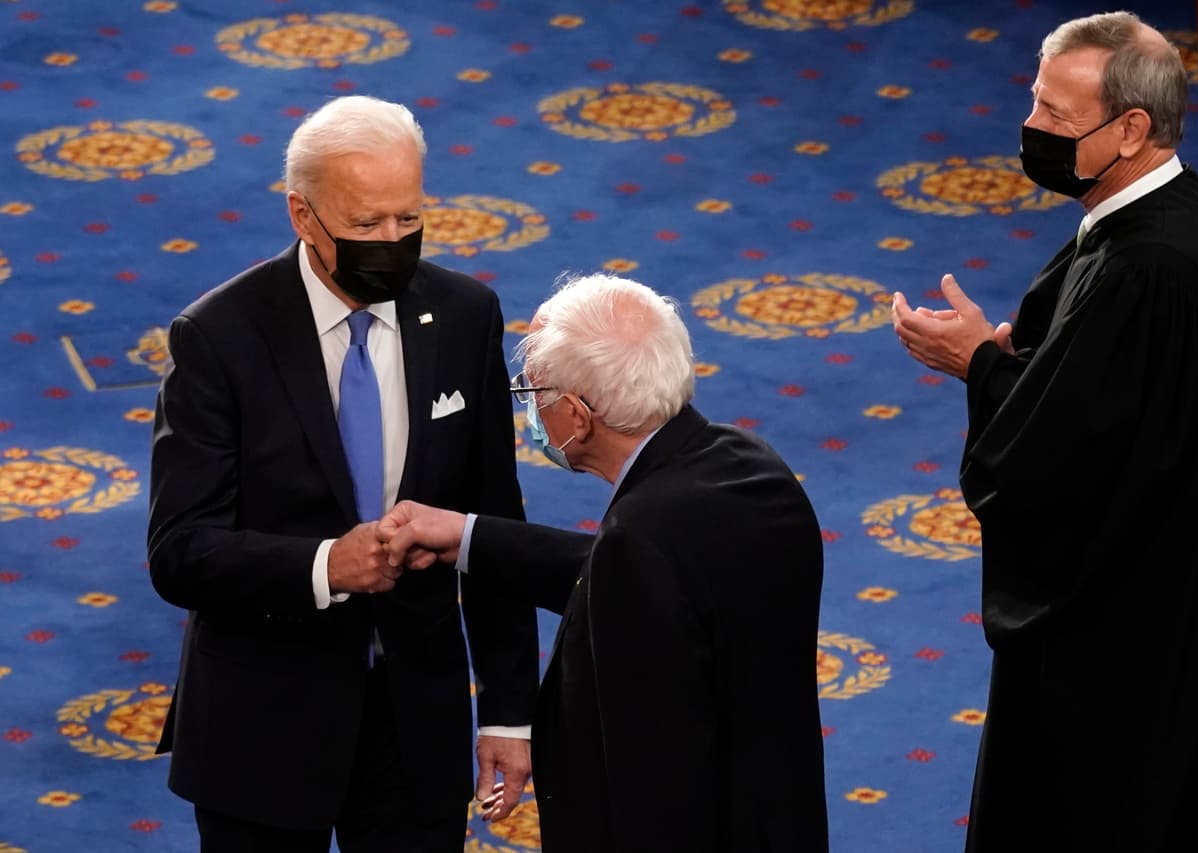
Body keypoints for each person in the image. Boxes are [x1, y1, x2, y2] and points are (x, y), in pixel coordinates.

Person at [892, 11, 1198, 852]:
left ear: (1132, 129)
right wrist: (1015, 358)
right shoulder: (1158, 219)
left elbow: (1044, 471)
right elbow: (1110, 408)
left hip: (1136, 659)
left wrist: (982, 369)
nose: (1030, 130)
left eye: (1056, 118)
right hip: (1171, 613)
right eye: (1033, 103)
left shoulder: (1152, 269)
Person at [147, 95, 539, 852]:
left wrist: (506, 711)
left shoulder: (465, 317)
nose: (392, 241)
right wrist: (330, 565)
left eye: (408, 218)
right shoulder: (218, 338)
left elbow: (495, 524)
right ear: (303, 215)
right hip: (261, 725)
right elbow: (180, 549)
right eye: (366, 225)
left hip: (415, 722)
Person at [377, 274, 829, 853]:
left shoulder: (640, 540)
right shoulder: (747, 467)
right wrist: (468, 536)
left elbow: (650, 775)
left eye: (531, 393)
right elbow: (639, 580)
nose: (530, 409)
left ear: (575, 415)